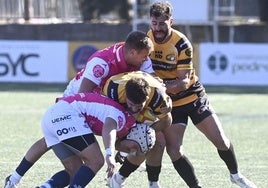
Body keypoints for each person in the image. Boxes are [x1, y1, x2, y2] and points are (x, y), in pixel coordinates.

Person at [109, 1, 257, 188]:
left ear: (171, 21)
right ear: (150, 21)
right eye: (154, 23)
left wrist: (159, 85)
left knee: (220, 140)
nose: (157, 28)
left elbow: (183, 82)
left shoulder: (181, 43)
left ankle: (236, 175)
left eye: (162, 24)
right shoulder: (147, 40)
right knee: (173, 149)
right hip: (169, 103)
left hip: (193, 98)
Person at [4, 30, 155, 188]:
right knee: (91, 158)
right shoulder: (102, 62)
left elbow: (151, 84)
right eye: (144, 56)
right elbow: (84, 94)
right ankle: (15, 178)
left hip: (81, 108)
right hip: (76, 102)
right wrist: (110, 151)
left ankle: (15, 179)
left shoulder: (140, 59)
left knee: (74, 170)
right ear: (132, 52)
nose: (146, 60)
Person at [37, 71, 172, 187]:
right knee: (96, 160)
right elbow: (109, 125)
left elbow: (167, 119)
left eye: (139, 106)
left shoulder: (159, 98)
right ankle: (121, 156)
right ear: (125, 97)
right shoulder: (113, 89)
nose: (134, 109)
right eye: (131, 105)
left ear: (147, 100)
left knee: (150, 139)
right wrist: (110, 153)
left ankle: (130, 167)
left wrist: (145, 130)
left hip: (59, 114)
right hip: (72, 112)